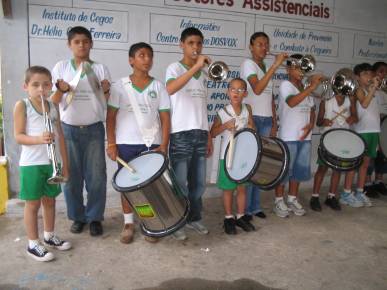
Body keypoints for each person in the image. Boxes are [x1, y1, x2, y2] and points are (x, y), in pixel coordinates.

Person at [106, 42, 171, 244]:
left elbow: (166, 119)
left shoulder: (159, 87)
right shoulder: (119, 86)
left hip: (152, 145)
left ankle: (150, 223)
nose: (147, 60)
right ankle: (128, 223)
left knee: (150, 187)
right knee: (127, 185)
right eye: (141, 55)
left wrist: (164, 145)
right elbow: (110, 117)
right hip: (125, 144)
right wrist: (111, 144)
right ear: (131, 60)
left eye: (150, 56)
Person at [51, 26, 111, 236]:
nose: (82, 45)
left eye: (85, 41)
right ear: (69, 45)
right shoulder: (60, 68)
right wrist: (60, 89)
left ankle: (94, 217)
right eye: (77, 42)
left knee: (97, 177)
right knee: (71, 177)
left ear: (91, 44)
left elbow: (107, 103)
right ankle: (77, 217)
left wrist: (106, 90)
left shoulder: (101, 69)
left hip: (95, 129)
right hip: (68, 130)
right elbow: (53, 103)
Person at [14, 66, 71, 262]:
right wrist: (39, 139)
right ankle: (32, 243)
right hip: (31, 164)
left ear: (51, 86)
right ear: (26, 86)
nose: (41, 89)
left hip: (51, 162)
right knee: (32, 204)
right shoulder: (22, 105)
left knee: (50, 201)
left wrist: (66, 165)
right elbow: (18, 136)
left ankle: (48, 235)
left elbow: (61, 137)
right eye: (35, 85)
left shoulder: (53, 106)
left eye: (46, 85)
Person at [165, 27, 213, 240]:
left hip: (200, 133)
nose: (196, 47)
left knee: (199, 183)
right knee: (180, 183)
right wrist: (196, 67)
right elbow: (170, 89)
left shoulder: (202, 73)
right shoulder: (174, 68)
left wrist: (209, 135)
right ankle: (177, 222)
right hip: (181, 134)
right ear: (182, 45)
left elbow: (202, 107)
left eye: (199, 43)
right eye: (191, 43)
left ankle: (194, 218)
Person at [240, 32, 287, 221]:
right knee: (251, 165)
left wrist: (274, 121)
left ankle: (255, 206)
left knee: (261, 166)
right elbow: (257, 88)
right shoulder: (248, 64)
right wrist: (275, 65)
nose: (264, 48)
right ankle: (246, 209)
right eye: (260, 44)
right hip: (253, 119)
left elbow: (269, 97)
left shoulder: (266, 66)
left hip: (266, 119)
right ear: (251, 46)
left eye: (266, 44)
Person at [274, 54, 322, 218]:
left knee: (299, 171)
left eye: (303, 68)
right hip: (288, 136)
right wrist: (311, 87)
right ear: (288, 69)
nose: (301, 71)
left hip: (305, 137)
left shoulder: (305, 86)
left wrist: (311, 124)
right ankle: (279, 200)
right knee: (284, 171)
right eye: (296, 67)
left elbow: (312, 109)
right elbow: (292, 102)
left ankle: (292, 198)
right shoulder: (286, 85)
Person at [210, 78, 256, 234]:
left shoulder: (247, 109)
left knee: (242, 188)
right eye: (233, 89)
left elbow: (253, 128)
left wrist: (251, 127)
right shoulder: (222, 112)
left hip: (243, 157)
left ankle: (241, 216)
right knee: (229, 189)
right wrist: (225, 126)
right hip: (227, 157)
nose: (236, 92)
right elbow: (213, 132)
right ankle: (229, 218)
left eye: (240, 90)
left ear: (246, 93)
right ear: (228, 92)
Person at [310, 87, 358, 211]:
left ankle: (331, 197)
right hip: (328, 139)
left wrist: (352, 118)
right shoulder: (325, 101)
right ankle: (314, 197)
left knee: (338, 169)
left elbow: (355, 118)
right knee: (322, 168)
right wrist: (324, 121)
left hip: (342, 139)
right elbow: (319, 122)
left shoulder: (350, 101)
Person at [339, 63, 379, 207]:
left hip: (373, 131)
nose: (369, 77)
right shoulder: (358, 90)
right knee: (355, 164)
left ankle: (360, 191)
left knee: (365, 165)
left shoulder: (373, 90)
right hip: (361, 131)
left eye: (370, 73)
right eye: (365, 74)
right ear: (357, 77)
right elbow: (364, 104)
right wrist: (373, 87)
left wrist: (374, 88)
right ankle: (346, 193)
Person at [363, 61, 387, 197]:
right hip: (371, 128)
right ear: (373, 73)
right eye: (381, 71)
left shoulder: (384, 93)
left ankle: (379, 181)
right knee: (370, 157)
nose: (383, 75)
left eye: (386, 73)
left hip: (382, 129)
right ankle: (367, 183)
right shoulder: (369, 90)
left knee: (382, 157)